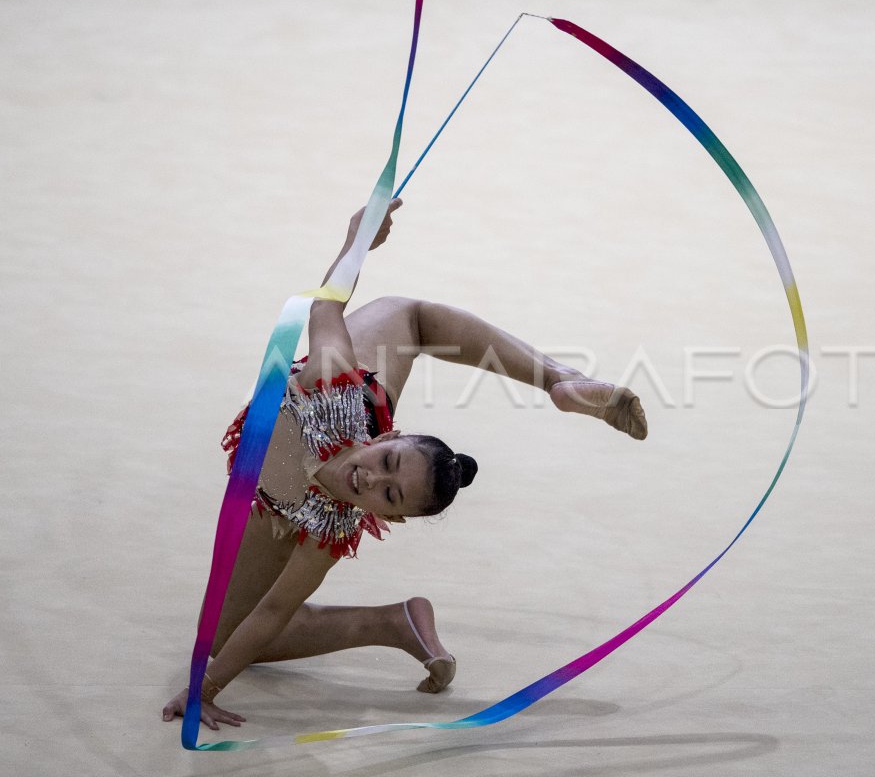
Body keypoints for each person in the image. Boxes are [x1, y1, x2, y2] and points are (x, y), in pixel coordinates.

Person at [161, 199, 647, 731]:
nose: (372, 477)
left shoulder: (328, 533)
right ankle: (557, 378)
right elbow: (326, 307)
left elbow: (274, 613)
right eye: (387, 460)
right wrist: (357, 241)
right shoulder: (333, 374)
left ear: (384, 518)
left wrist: (203, 690)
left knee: (231, 638)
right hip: (333, 413)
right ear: (386, 435)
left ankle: (394, 622)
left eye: (388, 494)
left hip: (279, 500)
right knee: (407, 314)